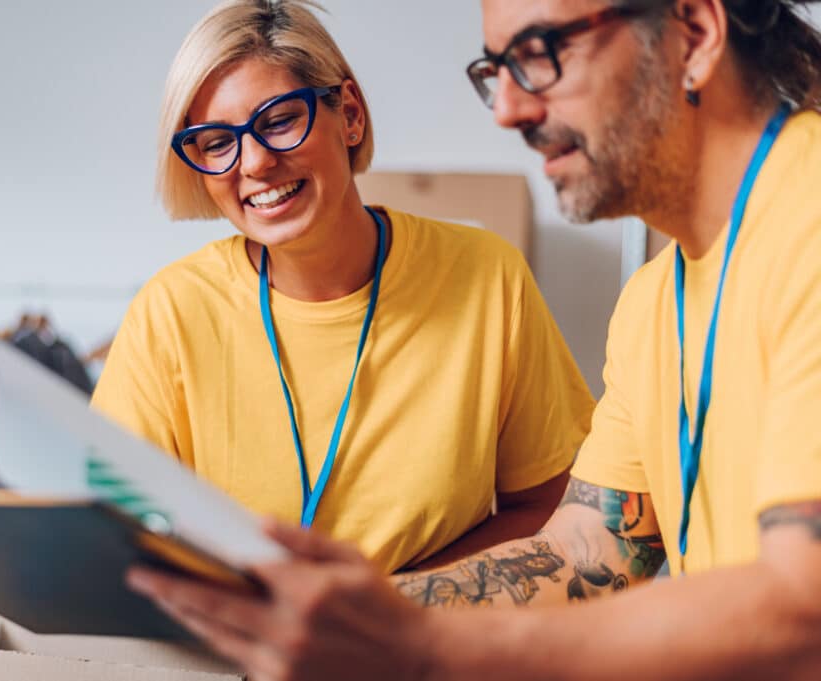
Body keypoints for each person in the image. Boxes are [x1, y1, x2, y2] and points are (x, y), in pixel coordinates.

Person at [124, 1, 821, 679]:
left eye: (541, 54)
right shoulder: (651, 302)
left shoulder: (809, 219)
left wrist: (424, 650)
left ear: (693, 33)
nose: (508, 109)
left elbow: (804, 610)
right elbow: (592, 549)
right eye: (498, 70)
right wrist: (345, 618)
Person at [92, 0, 593, 578]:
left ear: (349, 114)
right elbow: (116, 539)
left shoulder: (488, 277)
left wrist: (386, 613)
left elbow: (548, 507)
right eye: (215, 142)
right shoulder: (170, 310)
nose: (254, 162)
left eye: (279, 120)